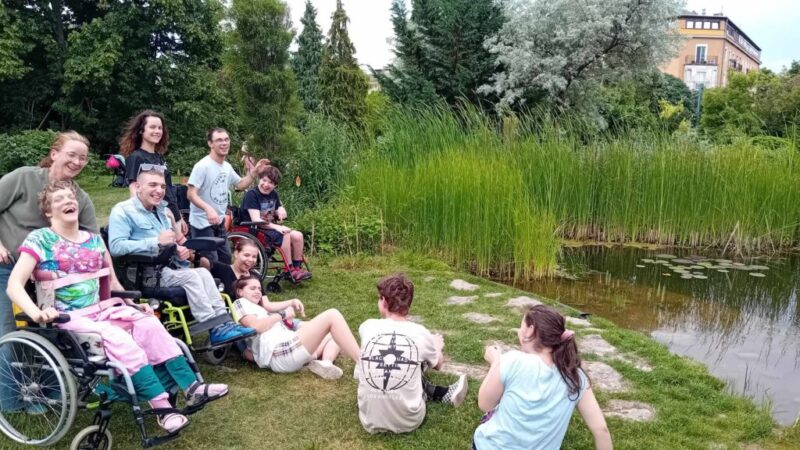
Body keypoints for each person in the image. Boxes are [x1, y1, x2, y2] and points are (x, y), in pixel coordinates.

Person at [7, 180, 228, 432]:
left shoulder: (94, 240)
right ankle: (161, 408)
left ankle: (192, 387)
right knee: (119, 339)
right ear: (48, 211)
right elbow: (14, 285)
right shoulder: (40, 240)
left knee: (150, 324)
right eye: (59, 199)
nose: (68, 201)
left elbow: (112, 281)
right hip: (67, 318)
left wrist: (133, 305)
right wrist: (37, 313)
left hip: (102, 310)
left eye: (71, 197)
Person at [0, 131, 98, 413]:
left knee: (53, 330)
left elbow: (95, 241)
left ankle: (47, 395)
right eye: (72, 154)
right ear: (54, 154)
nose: (77, 161)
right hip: (10, 267)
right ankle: (10, 401)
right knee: (9, 330)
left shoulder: (80, 198)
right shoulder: (23, 178)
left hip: (52, 277)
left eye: (83, 158)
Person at [108, 167, 255, 347]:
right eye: (153, 185)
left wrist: (177, 249)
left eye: (162, 186)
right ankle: (213, 326)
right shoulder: (123, 211)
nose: (159, 190)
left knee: (203, 272)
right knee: (192, 276)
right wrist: (155, 241)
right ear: (138, 187)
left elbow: (168, 242)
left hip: (168, 269)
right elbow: (116, 247)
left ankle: (224, 322)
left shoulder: (160, 211)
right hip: (145, 274)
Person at [473, 305, 612, 450]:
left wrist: (496, 362)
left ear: (530, 330)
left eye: (521, 327)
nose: (519, 331)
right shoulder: (575, 376)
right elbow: (601, 430)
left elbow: (485, 404)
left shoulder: (512, 361)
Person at [356, 273, 468, 434]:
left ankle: (435, 393)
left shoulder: (367, 326)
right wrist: (437, 346)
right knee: (418, 360)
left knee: (377, 360)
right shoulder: (420, 333)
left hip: (368, 420)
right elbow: (438, 365)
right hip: (409, 421)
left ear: (384, 301)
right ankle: (437, 393)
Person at [231, 275, 362, 380]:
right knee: (332, 315)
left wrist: (285, 320)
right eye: (252, 288)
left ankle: (326, 363)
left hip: (289, 348)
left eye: (259, 289)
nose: (258, 292)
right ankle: (362, 363)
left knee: (334, 332)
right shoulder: (239, 303)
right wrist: (282, 314)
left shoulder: (259, 308)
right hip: (280, 353)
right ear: (239, 291)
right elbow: (256, 326)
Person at [186, 128, 258, 264]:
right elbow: (190, 194)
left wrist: (254, 172)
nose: (224, 143)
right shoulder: (202, 166)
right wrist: (208, 209)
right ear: (210, 143)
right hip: (202, 224)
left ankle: (219, 279)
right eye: (219, 140)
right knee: (210, 262)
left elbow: (240, 184)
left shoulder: (227, 167)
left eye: (226, 139)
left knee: (225, 260)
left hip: (219, 223)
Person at [119, 110, 187, 236]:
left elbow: (169, 189)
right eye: (152, 127)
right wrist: (142, 217)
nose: (157, 131)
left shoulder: (159, 157)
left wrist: (178, 216)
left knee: (180, 246)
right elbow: (134, 189)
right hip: (156, 216)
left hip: (171, 213)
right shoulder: (136, 157)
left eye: (160, 128)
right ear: (141, 130)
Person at [240, 165, 311, 282]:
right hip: (254, 229)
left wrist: (282, 211)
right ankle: (289, 270)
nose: (266, 185)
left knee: (298, 235)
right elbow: (256, 219)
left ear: (275, 185)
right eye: (264, 180)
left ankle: (297, 268)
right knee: (285, 233)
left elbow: (279, 208)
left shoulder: (273, 194)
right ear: (259, 179)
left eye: (271, 183)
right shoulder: (251, 195)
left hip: (269, 228)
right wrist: (277, 227)